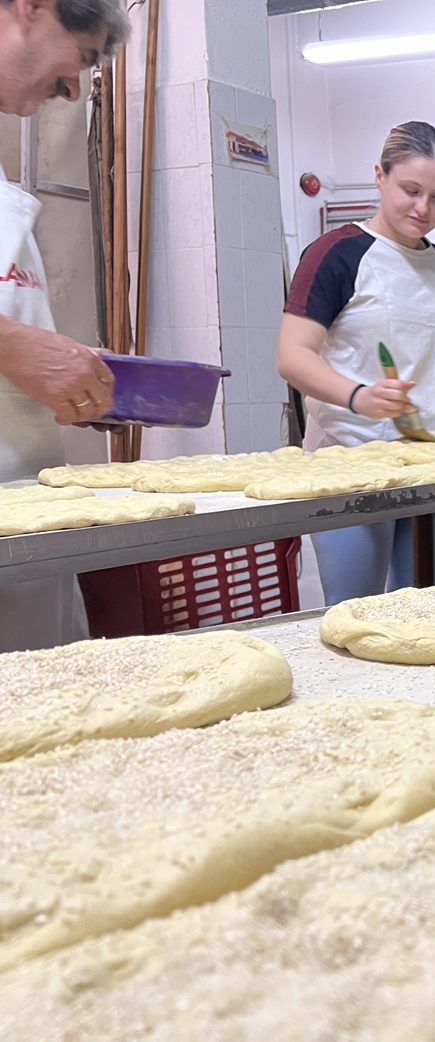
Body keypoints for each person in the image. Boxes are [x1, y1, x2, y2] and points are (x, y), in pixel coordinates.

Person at [278, 121, 435, 605]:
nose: (424, 209)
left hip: (432, 461)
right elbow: (293, 357)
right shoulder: (337, 254)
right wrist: (360, 396)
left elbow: (431, 360)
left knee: (423, 612)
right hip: (352, 463)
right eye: (411, 190)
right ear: (380, 176)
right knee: (358, 615)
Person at [0, 0, 129, 652]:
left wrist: (65, 371)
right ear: (31, 7)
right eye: (80, 58)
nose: (75, 89)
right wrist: (18, 347)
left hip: (22, 518)